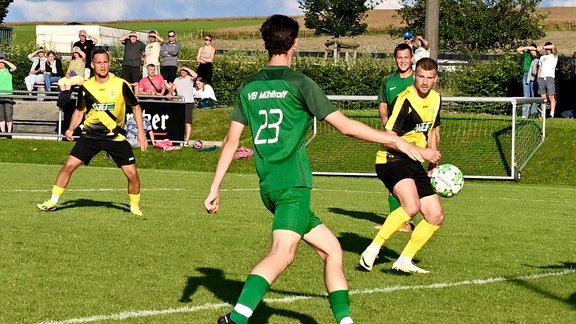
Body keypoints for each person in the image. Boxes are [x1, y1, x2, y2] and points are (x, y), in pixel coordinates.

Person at [204, 14, 439, 324]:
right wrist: (400, 143)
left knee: (332, 251)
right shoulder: (299, 83)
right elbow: (346, 126)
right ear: (295, 44)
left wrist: (214, 187)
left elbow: (231, 141)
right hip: (293, 185)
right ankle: (236, 319)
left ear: (264, 43)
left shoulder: (248, 87)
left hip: (270, 187)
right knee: (283, 253)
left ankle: (345, 321)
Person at [37, 49, 148, 216]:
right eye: (99, 62)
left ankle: (134, 207)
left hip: (115, 136)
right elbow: (79, 111)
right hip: (90, 136)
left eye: (105, 62)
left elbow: (136, 107)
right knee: (69, 165)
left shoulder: (121, 84)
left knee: (132, 173)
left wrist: (141, 133)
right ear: (92, 65)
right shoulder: (86, 86)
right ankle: (52, 201)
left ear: (109, 63)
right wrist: (71, 128)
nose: (102, 66)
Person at [359, 57, 444, 274]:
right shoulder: (404, 99)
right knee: (411, 206)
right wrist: (421, 152)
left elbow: (433, 130)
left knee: (435, 215)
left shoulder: (436, 98)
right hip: (391, 159)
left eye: (430, 78)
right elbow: (388, 137)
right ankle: (373, 249)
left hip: (414, 161)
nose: (425, 82)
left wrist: (433, 160)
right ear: (414, 76)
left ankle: (404, 260)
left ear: (435, 79)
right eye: (421, 77)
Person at [377, 43, 416, 232]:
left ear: (412, 59)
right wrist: (386, 122)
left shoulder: (417, 80)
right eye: (399, 57)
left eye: (406, 57)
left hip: (413, 137)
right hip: (394, 136)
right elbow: (382, 104)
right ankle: (401, 222)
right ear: (395, 59)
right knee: (393, 178)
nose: (402, 61)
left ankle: (406, 221)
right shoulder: (388, 81)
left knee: (409, 178)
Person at [166, 66, 197, 145]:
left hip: (188, 102)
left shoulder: (190, 79)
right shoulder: (177, 79)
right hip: (180, 103)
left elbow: (196, 75)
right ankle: (180, 138)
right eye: (182, 70)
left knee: (187, 122)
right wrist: (169, 93)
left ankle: (186, 140)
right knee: (180, 122)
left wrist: (187, 68)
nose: (183, 72)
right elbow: (173, 87)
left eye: (185, 70)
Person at [537, 42, 558, 118]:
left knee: (551, 96)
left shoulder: (554, 56)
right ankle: (543, 113)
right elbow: (540, 68)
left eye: (548, 49)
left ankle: (551, 114)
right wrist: (538, 78)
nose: (547, 50)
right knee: (543, 98)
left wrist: (542, 47)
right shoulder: (542, 57)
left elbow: (554, 46)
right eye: (546, 49)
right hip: (542, 78)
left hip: (550, 78)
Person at [517, 44, 538, 118]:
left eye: (533, 50)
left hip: (533, 76)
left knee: (534, 95)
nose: (532, 51)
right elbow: (518, 50)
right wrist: (528, 47)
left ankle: (534, 113)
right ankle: (525, 114)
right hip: (526, 75)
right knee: (526, 95)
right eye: (531, 50)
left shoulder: (538, 57)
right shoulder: (526, 55)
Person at [0, 53, 17, 138]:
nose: (1, 63)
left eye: (2, 61)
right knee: (1, 116)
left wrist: (5, 61)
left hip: (8, 95)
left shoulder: (8, 70)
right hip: (0, 95)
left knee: (8, 114)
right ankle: (3, 132)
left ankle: (9, 132)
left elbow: (14, 68)